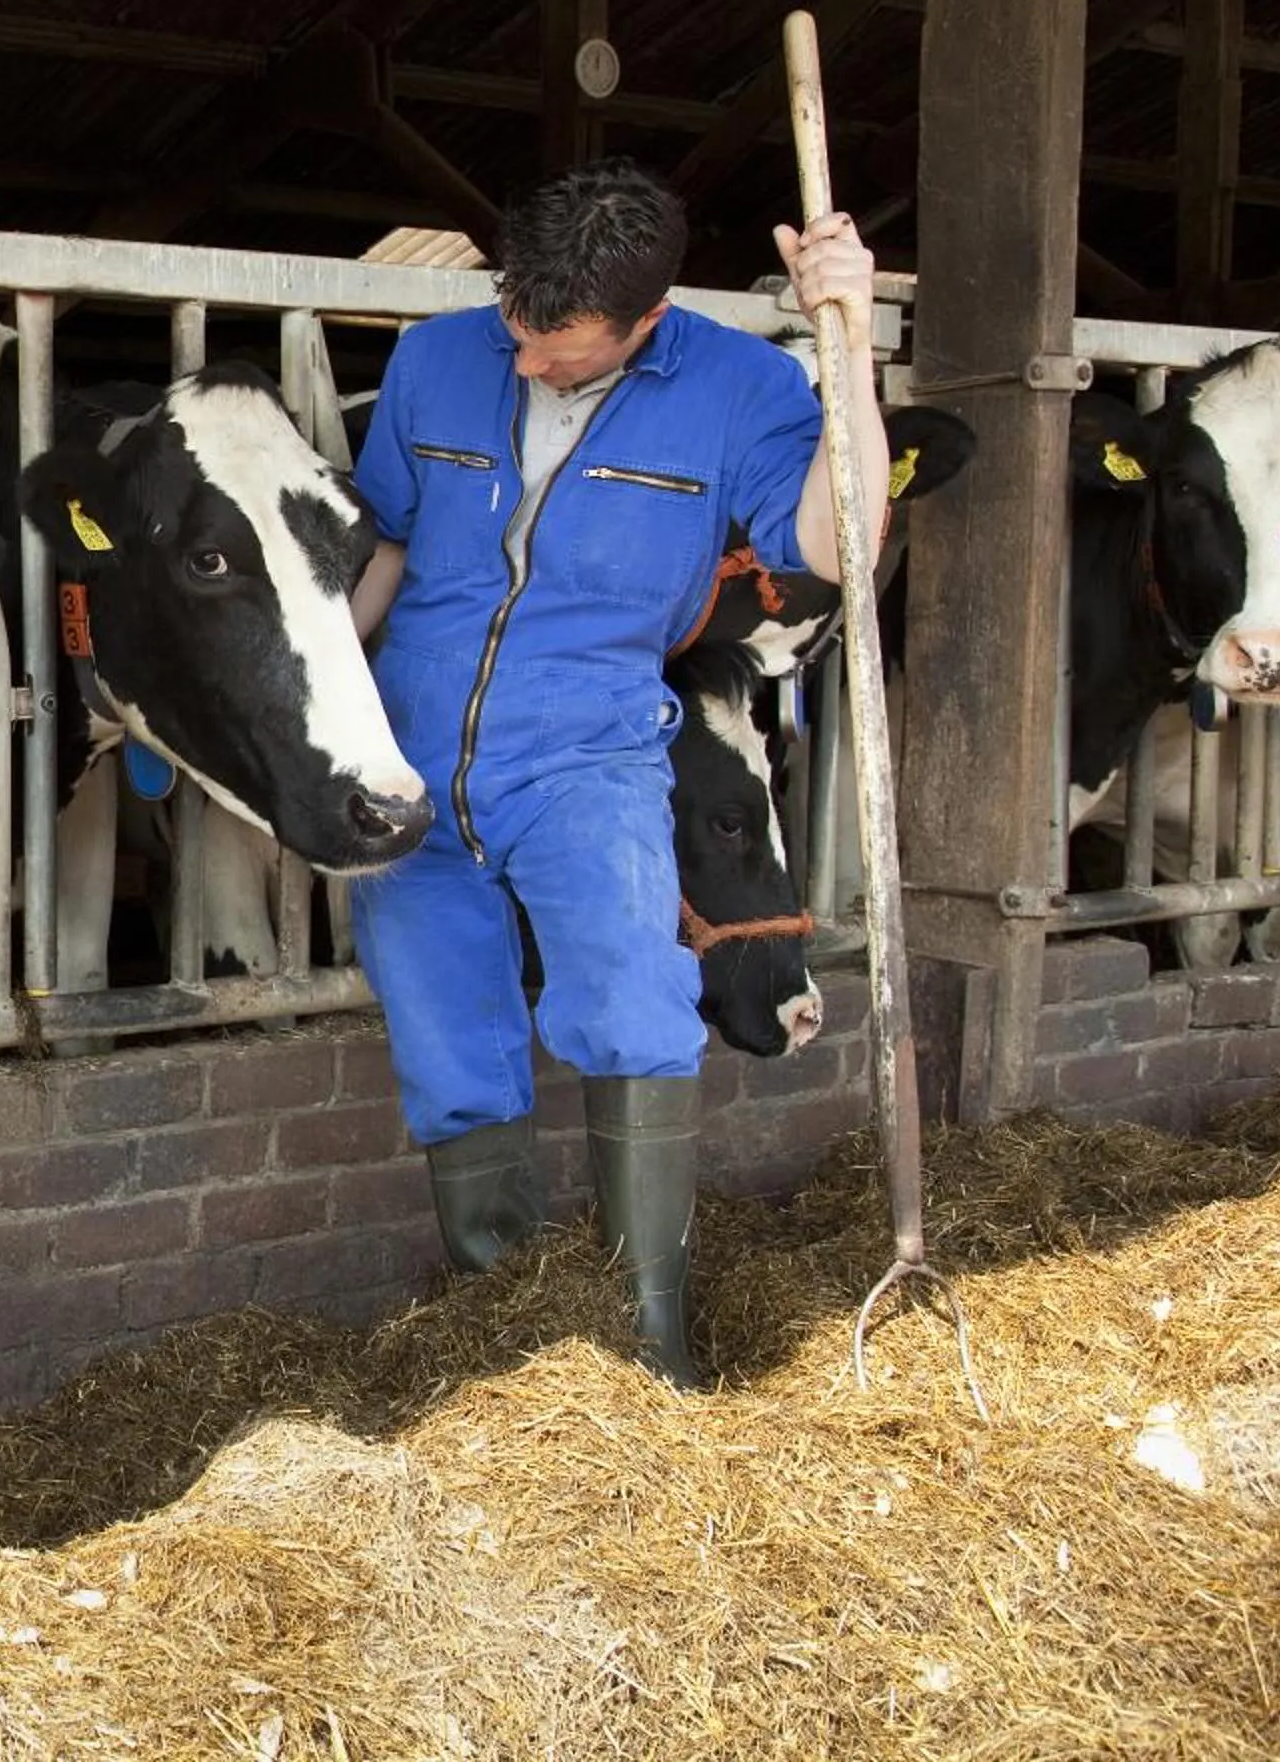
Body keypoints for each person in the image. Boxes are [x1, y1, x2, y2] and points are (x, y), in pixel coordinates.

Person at [346, 158, 883, 1388]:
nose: (528, 361)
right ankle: (505, 1340)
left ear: (647, 319)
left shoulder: (742, 387)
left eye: (563, 348)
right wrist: (327, 719)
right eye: (516, 331)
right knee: (444, 1034)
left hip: (587, 747)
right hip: (413, 751)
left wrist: (848, 341)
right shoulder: (435, 359)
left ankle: (648, 1350)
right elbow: (384, 547)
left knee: (637, 1003)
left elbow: (838, 540)